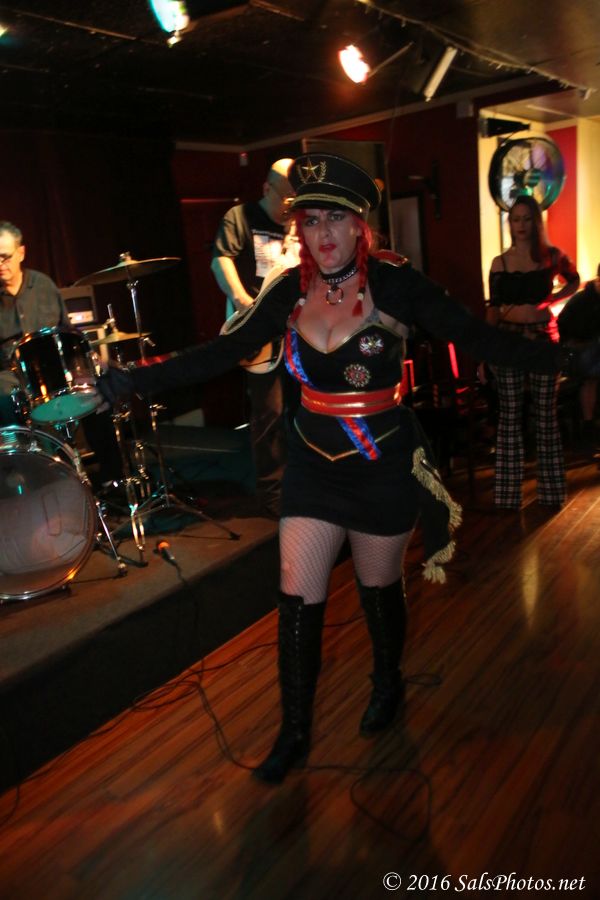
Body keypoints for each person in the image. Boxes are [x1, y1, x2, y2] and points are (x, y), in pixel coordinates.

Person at [98, 154, 600, 785]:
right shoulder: (287, 290)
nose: (323, 233)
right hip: (312, 465)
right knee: (295, 595)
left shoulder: (396, 284)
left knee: (377, 588)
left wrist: (572, 362)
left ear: (361, 224)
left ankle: (387, 680)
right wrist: (131, 381)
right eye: (310, 220)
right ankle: (294, 731)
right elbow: (223, 351)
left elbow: (481, 338)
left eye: (335, 218)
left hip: (380, 464)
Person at [0, 220, 122, 487]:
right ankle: (45, 479)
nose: (0, 264)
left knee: (95, 390)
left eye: (5, 257)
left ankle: (113, 477)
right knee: (6, 398)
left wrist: (87, 362)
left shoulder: (43, 285)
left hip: (53, 368)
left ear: (21, 252)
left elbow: (66, 331)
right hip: (10, 376)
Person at [211, 158, 299, 518]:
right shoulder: (241, 217)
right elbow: (221, 260)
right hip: (259, 330)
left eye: (296, 199)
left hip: (297, 329)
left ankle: (306, 485)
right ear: (267, 189)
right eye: (286, 198)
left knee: (303, 407)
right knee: (269, 412)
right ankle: (273, 495)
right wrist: (243, 302)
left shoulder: (299, 223)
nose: (290, 206)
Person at [484, 195, 579, 509]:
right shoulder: (500, 262)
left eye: (526, 219)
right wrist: (485, 350)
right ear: (509, 224)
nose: (521, 225)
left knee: (546, 417)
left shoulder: (550, 256)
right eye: (515, 219)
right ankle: (508, 497)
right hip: (508, 340)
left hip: (542, 339)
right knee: (510, 416)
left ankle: (551, 493)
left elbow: (574, 280)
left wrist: (552, 300)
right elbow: (493, 309)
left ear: (536, 222)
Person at [557, 263, 600, 449]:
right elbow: (568, 330)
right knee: (591, 370)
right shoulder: (583, 301)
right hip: (576, 352)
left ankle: (589, 424)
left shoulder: (586, 299)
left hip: (586, 350)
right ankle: (589, 424)